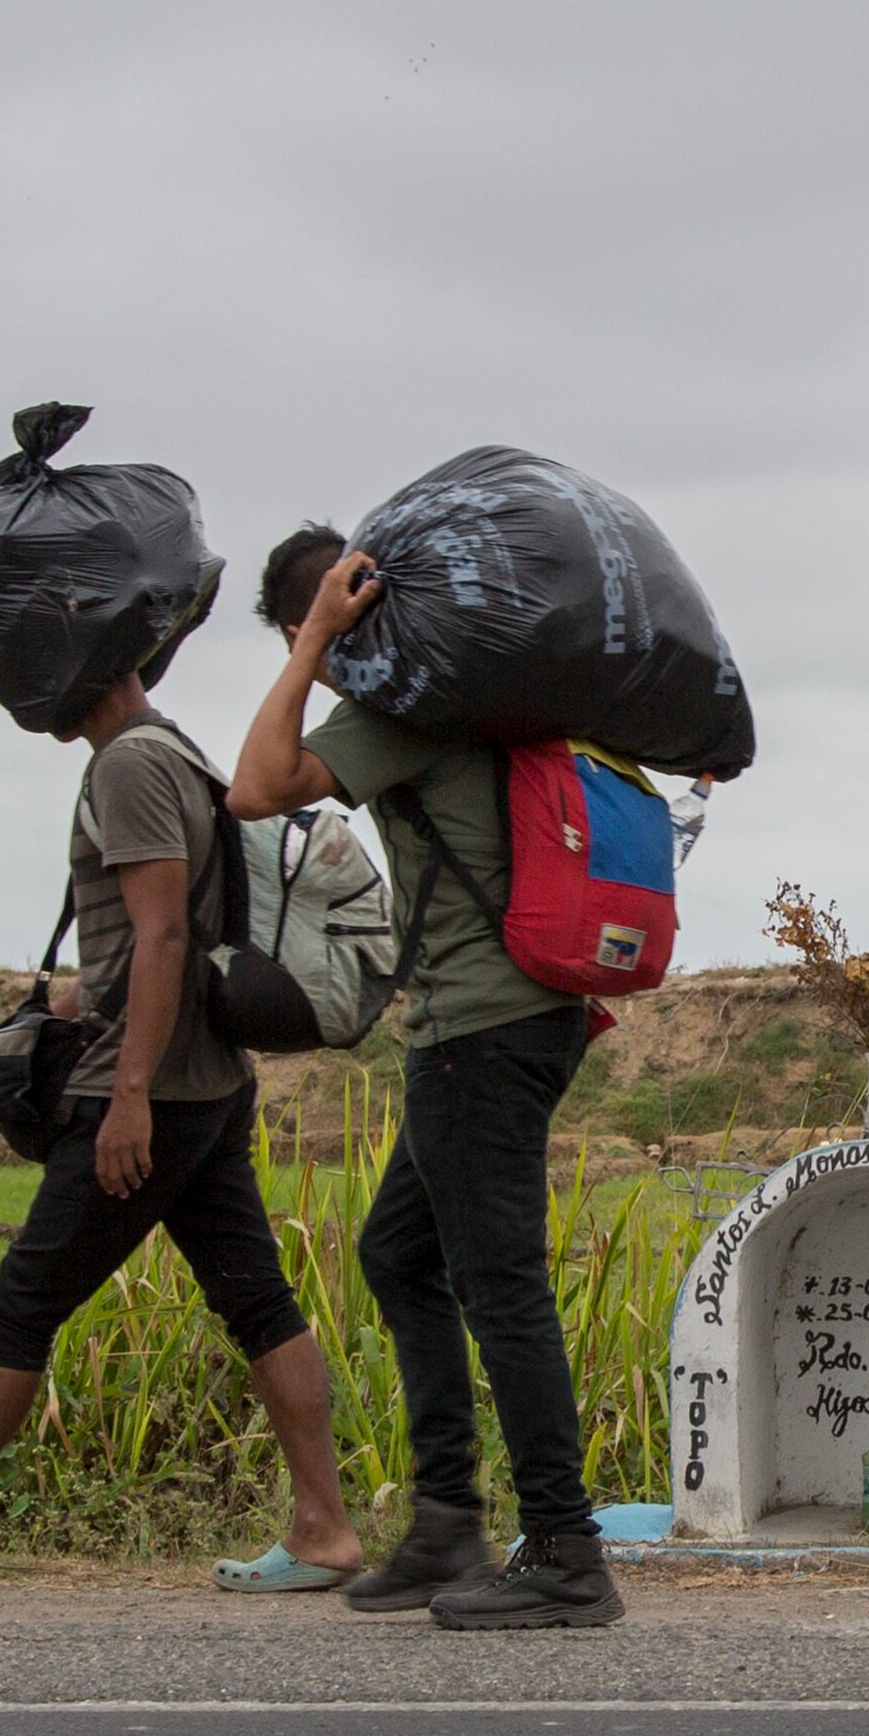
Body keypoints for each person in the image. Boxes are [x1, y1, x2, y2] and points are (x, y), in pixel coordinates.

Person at [0, 590, 369, 1596]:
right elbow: (160, 929)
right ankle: (322, 1529)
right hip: (208, 1086)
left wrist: (128, 1093)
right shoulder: (172, 750)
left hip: (147, 1094)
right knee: (257, 1302)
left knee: (22, 1303)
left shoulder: (130, 763)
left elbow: (164, 934)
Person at [227, 524, 618, 1631]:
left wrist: (308, 641)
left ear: (351, 615)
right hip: (512, 1023)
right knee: (399, 1251)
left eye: (327, 628)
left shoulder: (407, 713)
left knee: (500, 1285)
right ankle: (448, 1517)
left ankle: (565, 1552)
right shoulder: (476, 698)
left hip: (479, 1033)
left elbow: (257, 786)